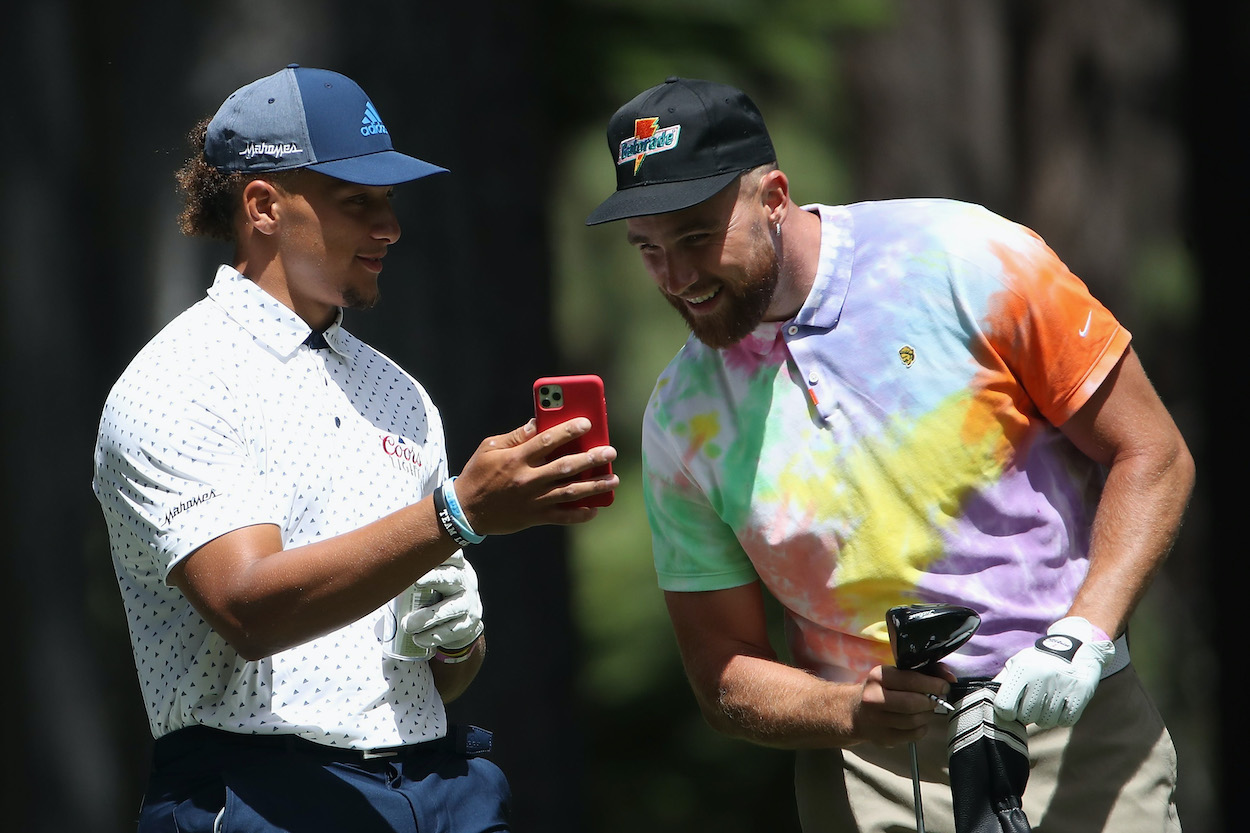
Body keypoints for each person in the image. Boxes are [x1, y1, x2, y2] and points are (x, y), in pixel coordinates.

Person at [585, 77, 1193, 833]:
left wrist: (1085, 634)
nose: (676, 278)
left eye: (696, 239)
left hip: (1076, 731)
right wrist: (849, 708)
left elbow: (1153, 453)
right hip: (869, 772)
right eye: (648, 251)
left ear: (774, 196)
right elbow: (722, 674)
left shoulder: (967, 257)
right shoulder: (682, 414)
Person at [92, 64, 618, 833]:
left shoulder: (401, 394)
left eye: (391, 202)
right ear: (263, 205)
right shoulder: (177, 380)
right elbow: (250, 608)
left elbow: (442, 678)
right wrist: (456, 513)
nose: (390, 228)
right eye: (357, 202)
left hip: (437, 783)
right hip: (259, 793)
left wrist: (459, 639)